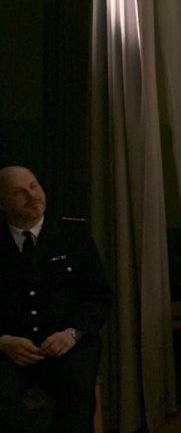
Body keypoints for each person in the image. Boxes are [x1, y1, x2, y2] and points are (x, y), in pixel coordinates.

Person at [0, 166, 113, 432]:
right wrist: (2, 341)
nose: (31, 196)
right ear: (2, 204)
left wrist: (73, 333)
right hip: (11, 347)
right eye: (19, 192)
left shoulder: (72, 235)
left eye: (34, 186)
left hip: (68, 343)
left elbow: (100, 296)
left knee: (78, 395)